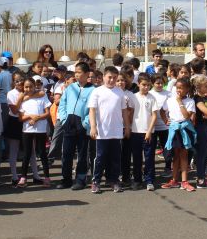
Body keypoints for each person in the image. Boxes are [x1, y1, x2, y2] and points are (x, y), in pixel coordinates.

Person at [88, 66, 130, 194]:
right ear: (103, 77)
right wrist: (93, 127)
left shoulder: (120, 92)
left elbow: (124, 112)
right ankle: (96, 181)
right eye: (109, 77)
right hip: (102, 131)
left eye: (114, 78)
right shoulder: (97, 91)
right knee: (100, 157)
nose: (112, 80)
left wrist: (127, 127)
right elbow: (92, 110)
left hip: (116, 131)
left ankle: (114, 180)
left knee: (115, 158)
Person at [57, 62, 94, 190]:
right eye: (75, 72)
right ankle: (66, 179)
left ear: (87, 74)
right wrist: (63, 119)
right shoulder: (70, 88)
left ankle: (80, 179)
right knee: (66, 153)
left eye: (79, 72)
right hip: (69, 124)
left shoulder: (93, 90)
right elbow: (62, 104)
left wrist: (85, 123)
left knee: (83, 154)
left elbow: (93, 110)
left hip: (82, 127)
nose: (76, 75)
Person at [160, 77, 196, 192]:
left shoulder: (190, 101)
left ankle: (184, 181)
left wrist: (180, 102)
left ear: (187, 89)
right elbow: (162, 110)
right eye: (177, 88)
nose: (179, 90)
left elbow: (186, 116)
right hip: (174, 129)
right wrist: (166, 120)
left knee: (184, 155)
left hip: (185, 130)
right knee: (175, 155)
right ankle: (174, 180)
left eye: (181, 88)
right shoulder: (170, 100)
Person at [18, 77, 52, 187]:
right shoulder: (23, 99)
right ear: (23, 87)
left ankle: (46, 177)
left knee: (42, 153)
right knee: (27, 153)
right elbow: (20, 118)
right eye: (26, 87)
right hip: (27, 130)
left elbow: (47, 113)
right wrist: (29, 117)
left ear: (35, 86)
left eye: (30, 86)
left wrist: (37, 118)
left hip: (41, 129)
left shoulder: (42, 96)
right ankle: (23, 177)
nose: (28, 89)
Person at [127, 74, 158, 191]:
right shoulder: (133, 97)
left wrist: (149, 131)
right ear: (138, 84)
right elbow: (130, 113)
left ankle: (149, 180)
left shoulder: (152, 98)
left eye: (148, 85)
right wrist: (128, 127)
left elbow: (154, 116)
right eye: (143, 85)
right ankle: (137, 180)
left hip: (148, 132)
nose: (146, 87)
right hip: (135, 132)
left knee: (149, 157)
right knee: (136, 158)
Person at [192, 76, 207, 189]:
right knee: (201, 154)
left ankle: (203, 176)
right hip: (201, 128)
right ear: (198, 87)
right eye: (205, 86)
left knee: (206, 154)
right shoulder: (197, 99)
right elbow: (206, 111)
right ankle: (200, 179)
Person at [149, 74, 173, 178]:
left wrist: (169, 120)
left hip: (165, 127)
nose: (159, 85)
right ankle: (151, 170)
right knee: (151, 149)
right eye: (157, 83)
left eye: (161, 83)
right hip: (152, 127)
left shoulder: (169, 94)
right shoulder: (149, 94)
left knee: (167, 149)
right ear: (152, 83)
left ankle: (168, 168)